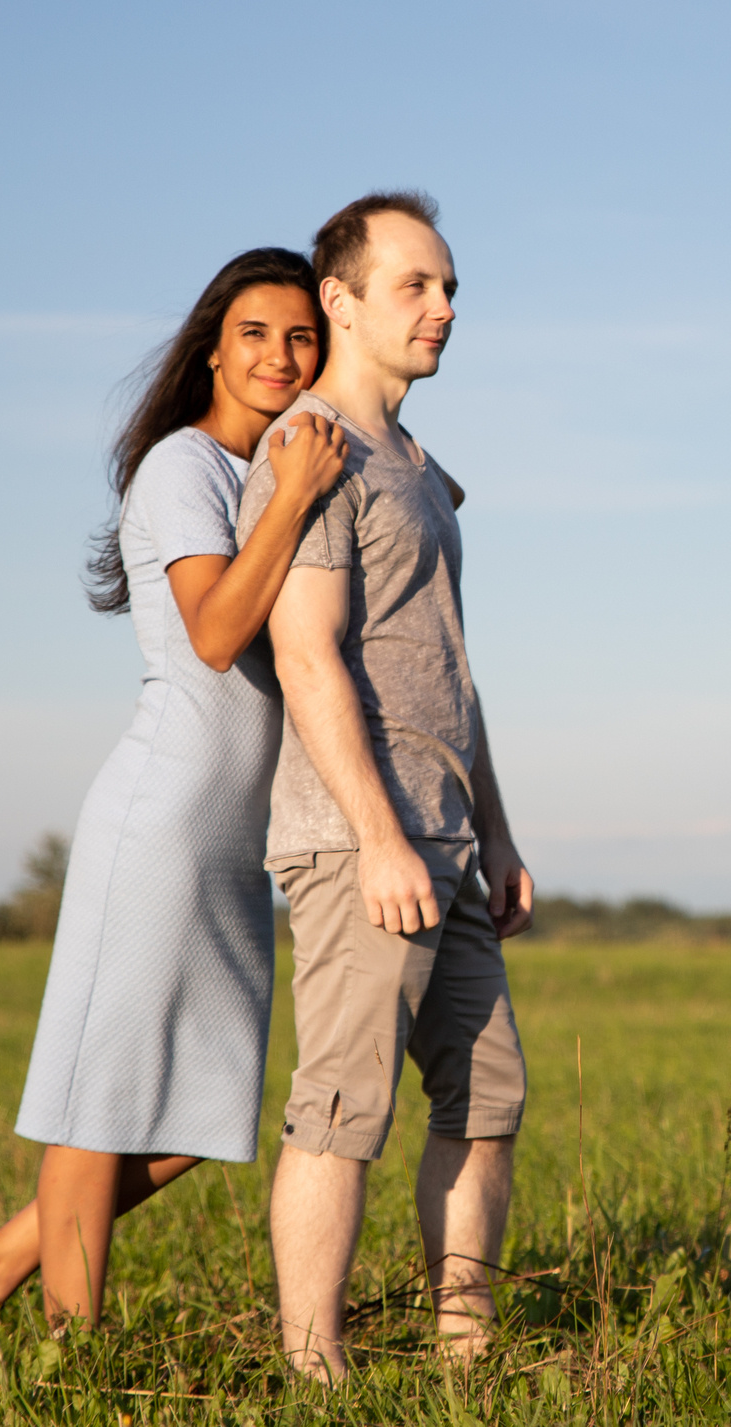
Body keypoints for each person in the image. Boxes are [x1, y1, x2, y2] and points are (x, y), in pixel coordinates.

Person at [0, 247, 350, 1344]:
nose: (279, 355)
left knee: (205, 1115)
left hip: (234, 842)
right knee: (103, 1101)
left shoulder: (278, 470)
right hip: (160, 820)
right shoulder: (187, 467)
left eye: (302, 336)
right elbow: (216, 635)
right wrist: (295, 493)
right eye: (255, 332)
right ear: (214, 346)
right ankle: (72, 1352)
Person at [235, 191, 535, 1382]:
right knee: (343, 1110)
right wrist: (377, 836)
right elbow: (305, 655)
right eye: (415, 285)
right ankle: (316, 1368)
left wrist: (495, 830)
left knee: (487, 1098)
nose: (445, 309)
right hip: (362, 841)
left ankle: (467, 1348)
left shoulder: (419, 468)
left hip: (450, 839)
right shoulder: (310, 454)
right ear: (340, 302)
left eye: (451, 287)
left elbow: (450, 672)